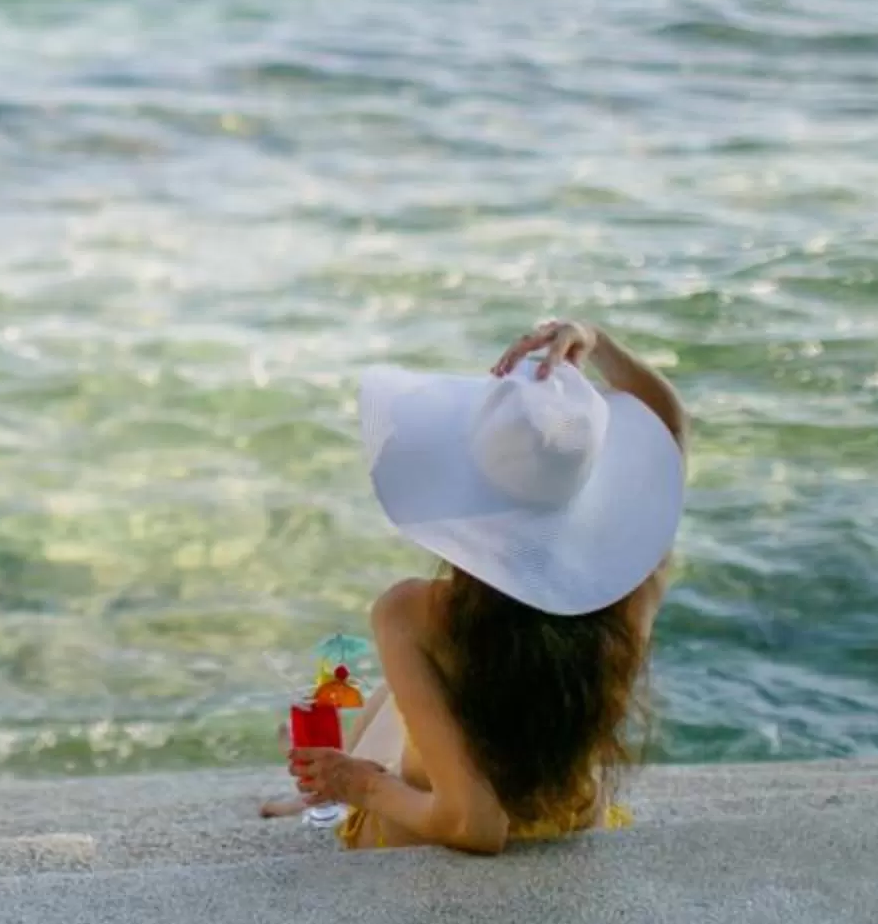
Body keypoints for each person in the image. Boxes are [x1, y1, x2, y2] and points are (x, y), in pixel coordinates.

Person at [265, 318, 689, 853]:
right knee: (399, 689)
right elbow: (670, 429)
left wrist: (360, 783)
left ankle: (327, 793)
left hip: (430, 837)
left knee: (399, 690)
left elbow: (475, 825)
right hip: (571, 821)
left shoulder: (413, 613)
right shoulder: (635, 585)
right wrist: (598, 342)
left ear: (470, 495)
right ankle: (324, 790)